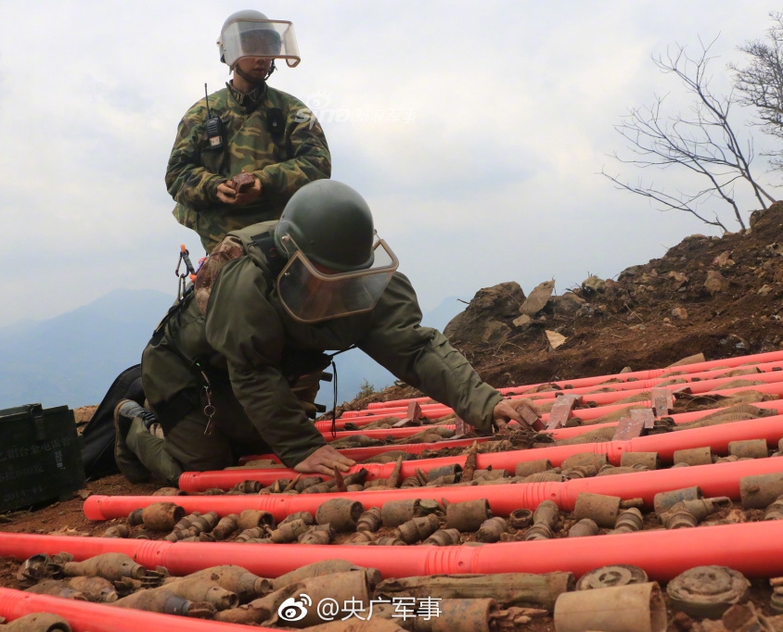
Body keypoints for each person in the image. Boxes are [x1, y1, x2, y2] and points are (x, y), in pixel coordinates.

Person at [113, 180, 538, 484]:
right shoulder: (249, 277)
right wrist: (301, 448)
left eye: (347, 277)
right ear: (292, 256)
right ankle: (134, 421)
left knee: (255, 444)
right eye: (326, 276)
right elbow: (252, 371)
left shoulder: (361, 277)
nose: (340, 288)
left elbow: (415, 348)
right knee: (203, 466)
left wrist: (485, 404)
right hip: (190, 368)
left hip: (267, 366)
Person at [165, 9, 332, 254]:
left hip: (284, 234)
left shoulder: (292, 110)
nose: (262, 57)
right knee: (228, 278)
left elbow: (318, 164)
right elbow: (176, 174)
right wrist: (214, 187)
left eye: (267, 47)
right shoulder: (201, 114)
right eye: (252, 46)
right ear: (232, 51)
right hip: (223, 240)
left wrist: (263, 181)